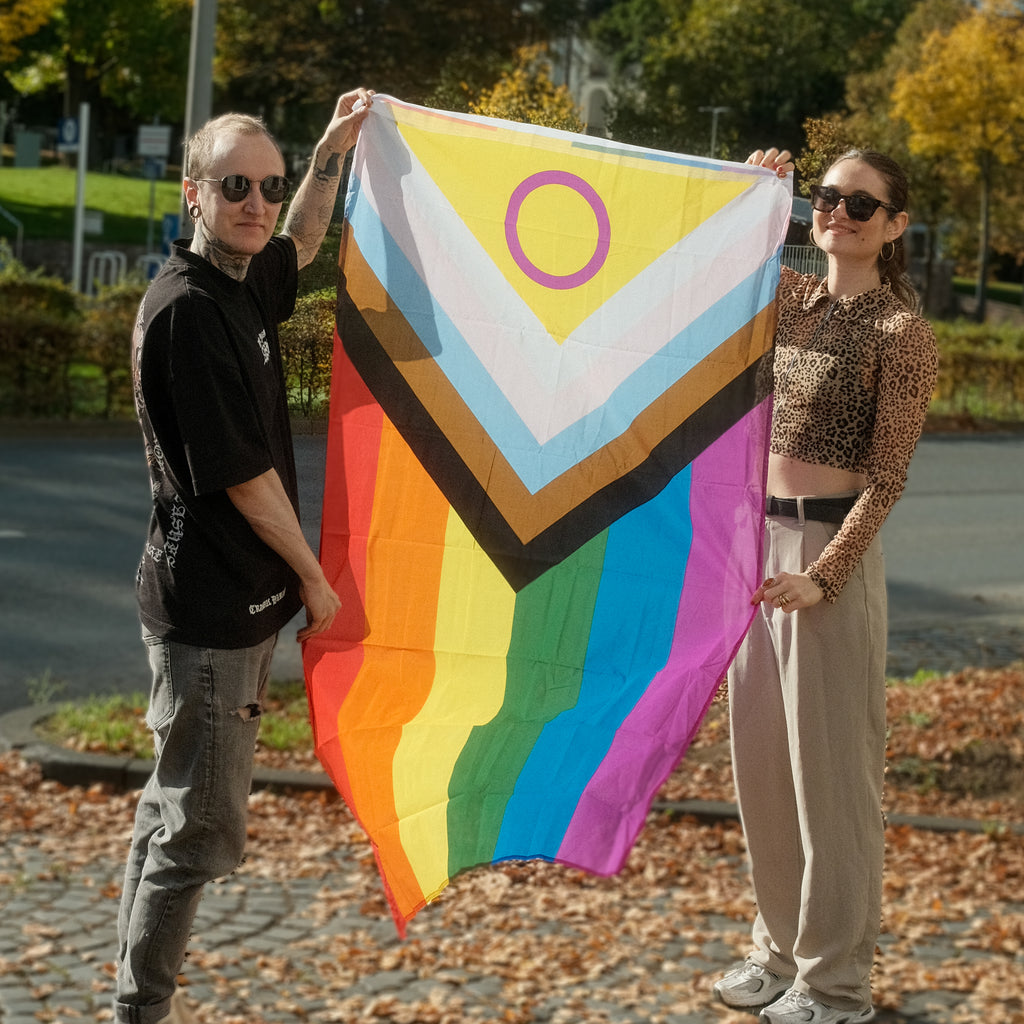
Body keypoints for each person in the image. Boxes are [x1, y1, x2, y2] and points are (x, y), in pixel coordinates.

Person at [115, 88, 374, 1024]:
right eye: (235, 186)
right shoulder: (187, 311)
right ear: (193, 192)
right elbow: (245, 480)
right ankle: (140, 1011)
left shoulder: (241, 278)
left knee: (167, 812)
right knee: (201, 836)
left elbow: (300, 241)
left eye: (268, 184)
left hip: (221, 610)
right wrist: (313, 578)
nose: (257, 203)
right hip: (211, 619)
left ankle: (130, 1000)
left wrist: (330, 154)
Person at [713, 148, 939, 1024]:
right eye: (826, 196)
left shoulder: (902, 333)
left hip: (825, 562)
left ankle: (837, 985)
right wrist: (755, 192)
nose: (838, 211)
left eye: (860, 203)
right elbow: (713, 271)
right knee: (764, 773)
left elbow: (887, 479)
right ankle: (778, 953)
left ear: (894, 225)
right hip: (756, 556)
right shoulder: (791, 302)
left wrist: (824, 574)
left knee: (832, 785)